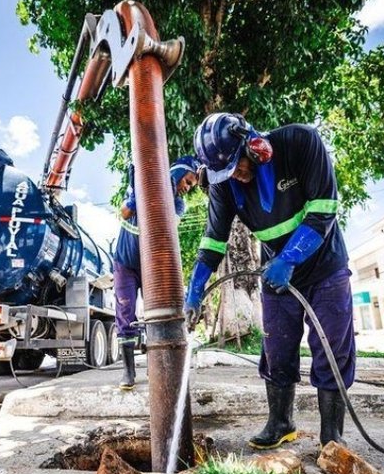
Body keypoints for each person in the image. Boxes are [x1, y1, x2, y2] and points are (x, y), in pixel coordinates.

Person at [184, 113, 355, 448]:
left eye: (238, 165)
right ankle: (281, 423)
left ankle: (331, 436)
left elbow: (324, 209)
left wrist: (289, 258)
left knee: (332, 349)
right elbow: (213, 242)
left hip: (325, 266)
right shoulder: (224, 184)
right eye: (226, 173)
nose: (237, 176)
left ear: (254, 145)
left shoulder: (300, 143)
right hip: (275, 276)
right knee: (276, 349)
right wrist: (194, 290)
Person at [114, 156, 200, 390]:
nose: (188, 187)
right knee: (125, 312)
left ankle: (156, 367)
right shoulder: (138, 186)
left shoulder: (178, 204)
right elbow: (123, 212)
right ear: (178, 172)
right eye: (188, 181)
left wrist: (153, 199)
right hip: (125, 263)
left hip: (152, 265)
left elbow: (164, 227)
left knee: (156, 314)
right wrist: (137, 195)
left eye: (191, 186)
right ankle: (128, 372)